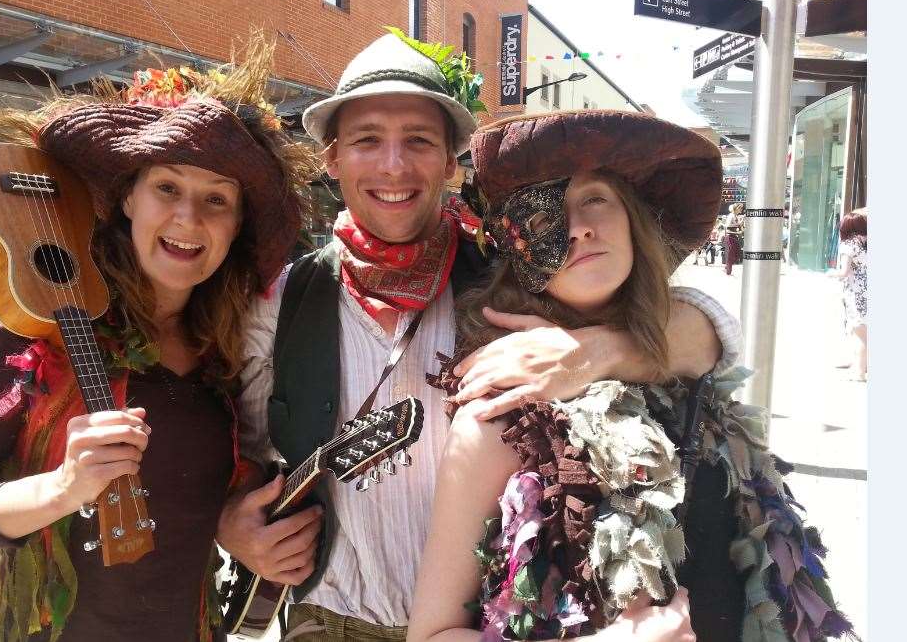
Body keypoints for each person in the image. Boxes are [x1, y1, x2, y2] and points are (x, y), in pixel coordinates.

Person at [216, 33, 741, 641]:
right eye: (367, 140)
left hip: (477, 622)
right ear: (332, 159)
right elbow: (240, 450)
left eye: (418, 140)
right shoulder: (279, 302)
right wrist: (232, 524)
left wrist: (595, 352)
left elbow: (708, 325)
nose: (393, 165)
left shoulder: (509, 276)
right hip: (328, 622)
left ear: (449, 163)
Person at [408, 111, 854, 642]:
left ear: (633, 218)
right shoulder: (501, 417)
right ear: (516, 248)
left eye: (595, 198)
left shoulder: (690, 370)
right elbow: (431, 634)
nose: (579, 227)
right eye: (548, 219)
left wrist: (597, 353)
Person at [0, 35, 314, 642]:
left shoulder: (231, 352)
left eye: (216, 200)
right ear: (128, 198)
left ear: (236, 227)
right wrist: (59, 489)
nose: (189, 219)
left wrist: (231, 526)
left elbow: (190, 494)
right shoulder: (33, 332)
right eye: (168, 187)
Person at [828, 211, 867, 381]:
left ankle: (859, 372)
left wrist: (831, 274)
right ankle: (857, 365)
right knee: (862, 332)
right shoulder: (867, 242)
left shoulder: (848, 245)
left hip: (856, 293)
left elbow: (844, 272)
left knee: (858, 332)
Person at [723, 203, 744, 275]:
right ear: (736, 208)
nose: (741, 210)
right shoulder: (731, 216)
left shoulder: (736, 216)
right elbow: (728, 225)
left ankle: (727, 267)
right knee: (731, 254)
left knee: (737, 253)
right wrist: (738, 224)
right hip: (730, 236)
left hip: (735, 236)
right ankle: (728, 270)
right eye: (740, 208)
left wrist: (740, 224)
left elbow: (738, 226)